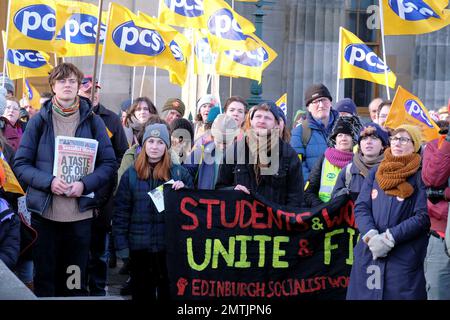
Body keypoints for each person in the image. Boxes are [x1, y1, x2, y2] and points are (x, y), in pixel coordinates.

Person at [13, 63, 116, 297]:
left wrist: (85, 184)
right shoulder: (39, 121)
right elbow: (20, 165)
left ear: (79, 87)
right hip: (45, 216)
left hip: (79, 217)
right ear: (53, 86)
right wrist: (48, 181)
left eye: (72, 81)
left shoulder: (93, 121)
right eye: (62, 81)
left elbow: (109, 164)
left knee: (74, 279)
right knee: (45, 279)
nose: (67, 85)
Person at [347, 124, 430, 300]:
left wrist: (390, 237)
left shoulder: (420, 175)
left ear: (414, 145)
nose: (397, 143)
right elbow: (361, 207)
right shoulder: (376, 172)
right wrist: (371, 235)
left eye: (404, 139)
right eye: (394, 138)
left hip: (404, 257)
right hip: (370, 252)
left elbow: (422, 216)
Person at [113, 123, 193, 301]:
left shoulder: (179, 174)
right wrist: (123, 249)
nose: (155, 147)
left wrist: (184, 192)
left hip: (169, 250)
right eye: (151, 142)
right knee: (142, 296)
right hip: (139, 249)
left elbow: (192, 213)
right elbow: (121, 214)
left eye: (160, 142)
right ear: (144, 144)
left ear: (166, 146)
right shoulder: (130, 174)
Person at [78, 75, 128, 296]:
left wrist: (105, 173)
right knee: (77, 249)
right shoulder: (74, 117)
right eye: (88, 90)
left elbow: (121, 153)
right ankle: (76, 288)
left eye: (96, 90)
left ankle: (98, 289)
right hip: (76, 193)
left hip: (103, 192)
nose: (93, 93)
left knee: (100, 249)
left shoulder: (112, 119)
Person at [216, 101, 304, 208]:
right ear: (251, 121)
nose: (262, 121)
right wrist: (233, 190)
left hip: (275, 222)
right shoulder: (234, 150)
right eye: (258, 116)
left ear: (276, 124)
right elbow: (220, 188)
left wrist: (286, 220)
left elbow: (296, 196)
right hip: (242, 220)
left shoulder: (289, 154)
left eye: (267, 118)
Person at [421, 121, 450, 300]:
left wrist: (445, 193)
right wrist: (448, 143)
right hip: (439, 236)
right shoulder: (436, 145)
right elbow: (432, 179)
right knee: (437, 292)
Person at [304, 116, 358, 207]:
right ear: (335, 140)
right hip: (325, 213)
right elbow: (309, 191)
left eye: (347, 135)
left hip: (351, 215)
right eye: (340, 135)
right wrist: (322, 209)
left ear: (353, 140)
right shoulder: (324, 159)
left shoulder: (358, 161)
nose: (343, 138)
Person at [290, 83, 339, 183]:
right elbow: (298, 165)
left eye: (324, 100)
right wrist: (311, 187)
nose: (321, 105)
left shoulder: (345, 128)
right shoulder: (299, 132)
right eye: (315, 102)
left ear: (330, 103)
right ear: (308, 107)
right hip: (312, 191)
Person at [332, 122, 389, 201]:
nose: (368, 142)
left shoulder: (392, 169)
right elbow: (334, 199)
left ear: (383, 145)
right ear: (360, 145)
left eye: (374, 138)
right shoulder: (348, 171)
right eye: (364, 138)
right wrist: (346, 194)